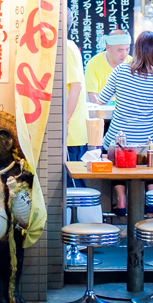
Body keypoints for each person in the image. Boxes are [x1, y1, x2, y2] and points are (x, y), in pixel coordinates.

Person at [99, 31, 153, 217]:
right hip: (147, 147)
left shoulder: (120, 70)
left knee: (109, 146)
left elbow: (102, 99)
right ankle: (150, 199)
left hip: (119, 145)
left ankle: (121, 200)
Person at [64, 30, 90, 188]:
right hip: (76, 131)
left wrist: (65, 121)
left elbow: (75, 86)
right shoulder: (70, 45)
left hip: (71, 132)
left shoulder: (64, 48)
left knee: (74, 191)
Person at [85, 31, 131, 103]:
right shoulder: (93, 64)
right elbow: (93, 98)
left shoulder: (133, 63)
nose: (124, 54)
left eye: (127, 49)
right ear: (108, 48)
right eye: (120, 50)